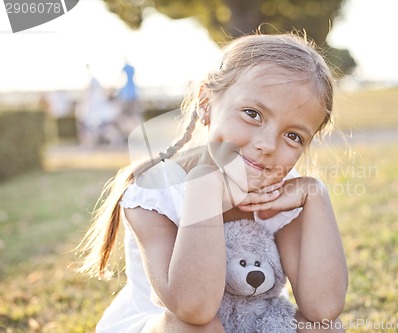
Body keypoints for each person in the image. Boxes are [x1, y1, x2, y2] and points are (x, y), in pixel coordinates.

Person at [77, 33, 348, 333]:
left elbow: (322, 309)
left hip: (249, 323)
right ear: (206, 102)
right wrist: (206, 190)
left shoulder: (282, 195)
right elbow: (193, 307)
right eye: (252, 114)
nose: (268, 145)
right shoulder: (155, 191)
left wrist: (316, 196)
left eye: (293, 136)